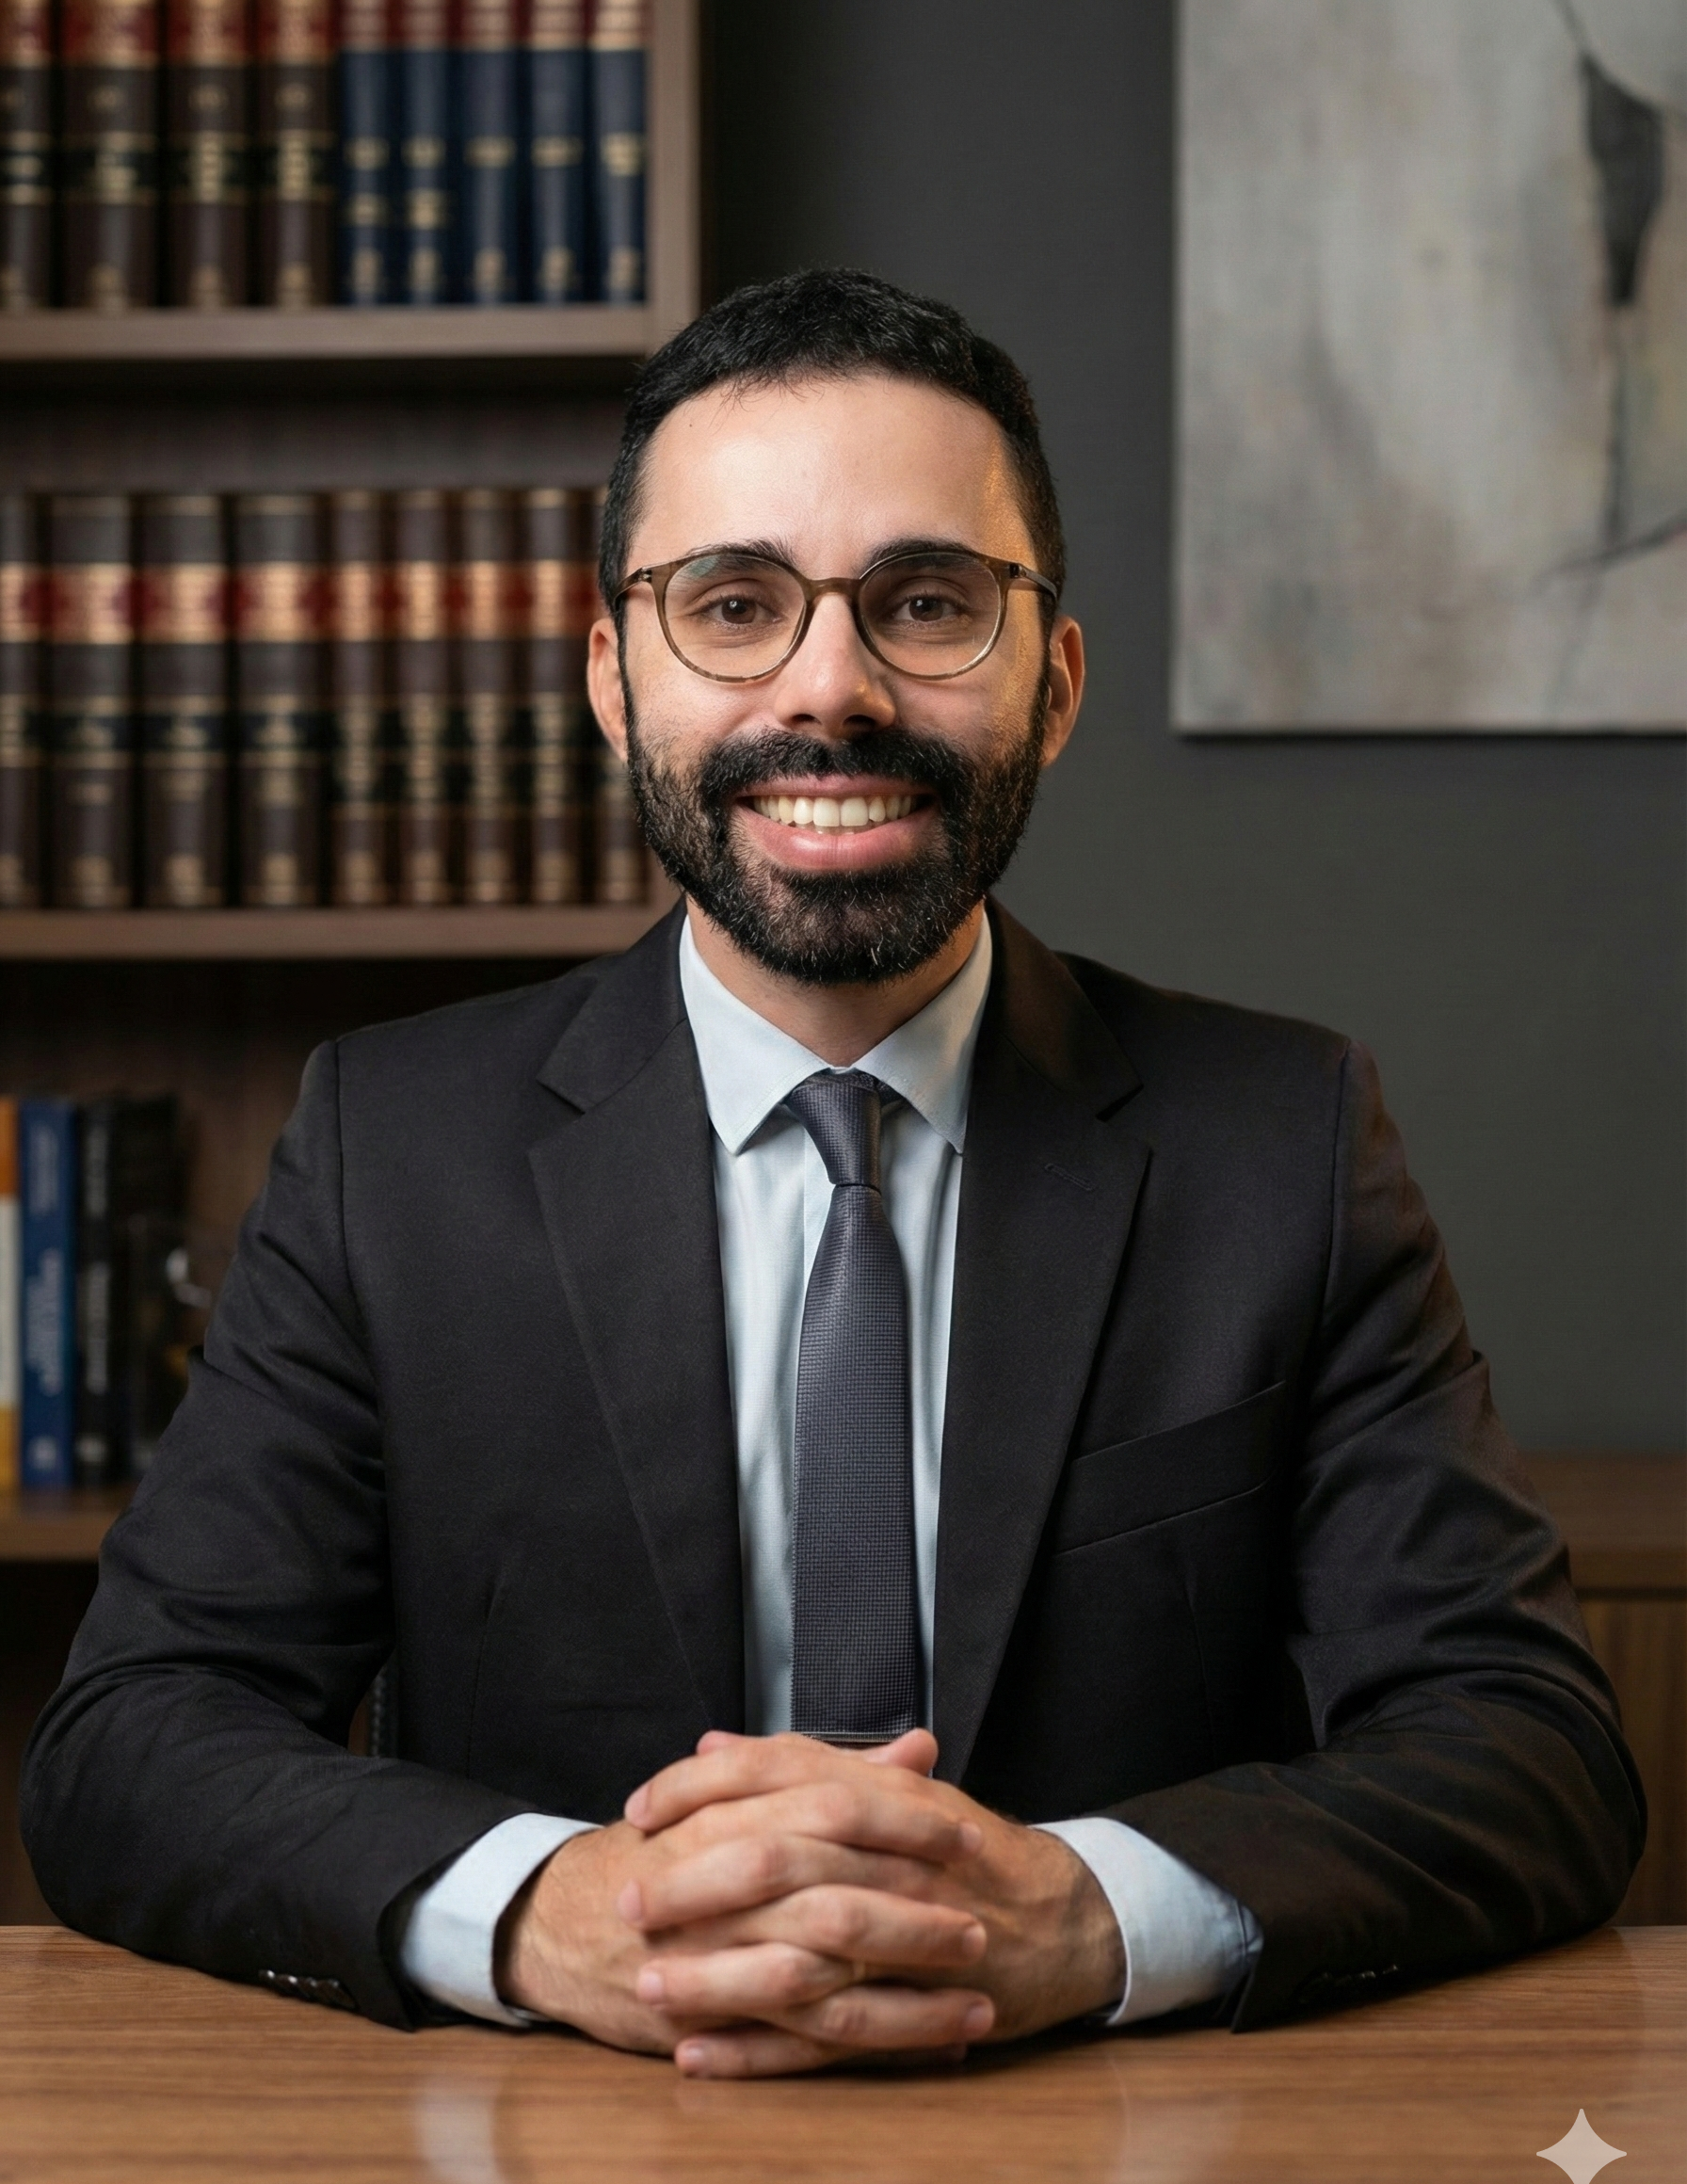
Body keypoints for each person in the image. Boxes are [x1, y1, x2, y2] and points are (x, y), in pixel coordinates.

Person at [23, 271, 1641, 2080]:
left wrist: (1082, 1915)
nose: (833, 690)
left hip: (1130, 2157)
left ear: (1057, 682)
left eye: (928, 604)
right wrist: (554, 1912)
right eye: (734, 606)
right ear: (610, 678)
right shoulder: (386, 1152)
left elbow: (1527, 1745)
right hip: (559, 2159)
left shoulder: (1284, 1141)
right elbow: (134, 1737)